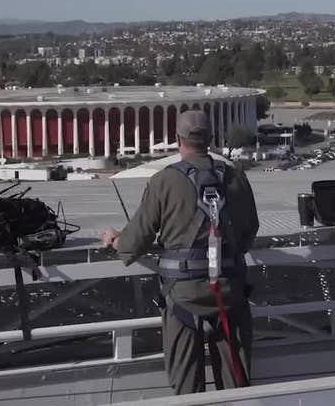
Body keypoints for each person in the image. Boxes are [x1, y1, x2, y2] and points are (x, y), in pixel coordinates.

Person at [101, 110, 259, 394]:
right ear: (210, 139)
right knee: (238, 384)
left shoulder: (164, 181)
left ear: (178, 140)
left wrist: (116, 240)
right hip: (229, 294)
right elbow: (249, 233)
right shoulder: (236, 178)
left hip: (183, 298)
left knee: (187, 387)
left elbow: (136, 240)